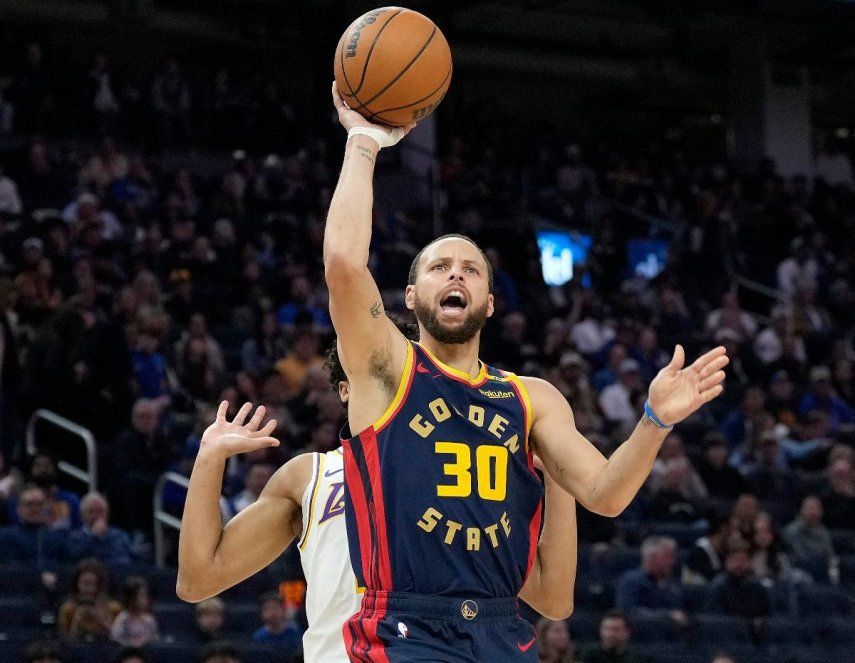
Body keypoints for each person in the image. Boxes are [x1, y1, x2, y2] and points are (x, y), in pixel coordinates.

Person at [321, 81, 726, 660]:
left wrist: (654, 420)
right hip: (404, 628)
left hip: (501, 631)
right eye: (439, 268)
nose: (456, 276)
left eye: (471, 270)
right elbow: (342, 261)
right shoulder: (386, 366)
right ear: (409, 297)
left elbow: (605, 494)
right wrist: (363, 140)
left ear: (490, 302)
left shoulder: (531, 398)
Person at [177, 316, 580, 662]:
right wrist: (209, 458)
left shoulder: (467, 471)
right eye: (379, 379)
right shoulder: (310, 475)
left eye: (403, 382)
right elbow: (198, 580)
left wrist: (559, 477)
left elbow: (553, 599)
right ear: (345, 388)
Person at [615, 537, 685, 623]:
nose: (672, 562)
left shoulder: (673, 583)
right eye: (668, 557)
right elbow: (628, 612)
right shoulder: (630, 581)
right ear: (652, 557)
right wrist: (667, 615)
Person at [58, 558, 122, 641]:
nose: (89, 589)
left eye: (93, 584)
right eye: (85, 584)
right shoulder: (68, 609)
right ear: (77, 584)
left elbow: (121, 640)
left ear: (100, 586)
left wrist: (100, 619)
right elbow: (65, 643)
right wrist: (77, 620)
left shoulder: (114, 608)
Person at [705, 541, 771, 618]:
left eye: (745, 560)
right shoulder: (718, 587)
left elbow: (767, 615)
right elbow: (716, 621)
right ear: (727, 561)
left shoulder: (756, 587)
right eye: (737, 559)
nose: (741, 564)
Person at [66, 492, 132, 566]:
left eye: (99, 511)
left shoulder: (119, 536)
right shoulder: (73, 537)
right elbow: (75, 559)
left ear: (107, 514)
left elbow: (122, 559)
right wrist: (94, 537)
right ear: (82, 515)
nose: (95, 515)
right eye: (91, 511)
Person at [110, 576, 159, 647]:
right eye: (142, 596)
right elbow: (115, 638)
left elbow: (154, 639)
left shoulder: (149, 619)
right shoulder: (123, 618)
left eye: (146, 596)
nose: (146, 599)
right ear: (131, 599)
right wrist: (130, 643)